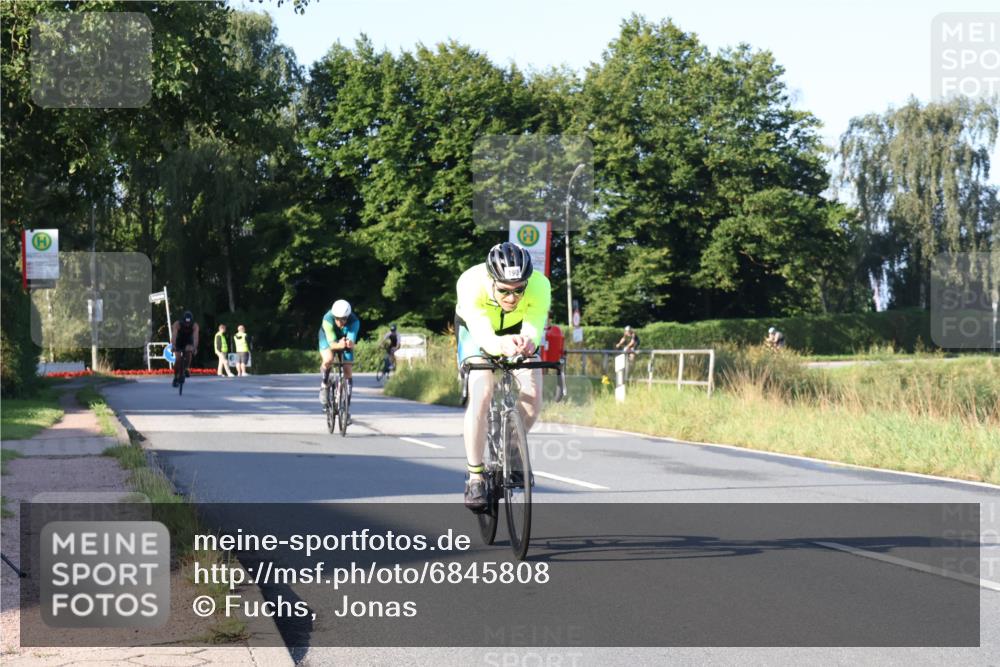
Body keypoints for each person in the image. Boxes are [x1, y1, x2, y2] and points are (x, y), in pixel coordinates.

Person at [455, 242, 551, 511]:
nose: (512, 297)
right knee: (482, 392)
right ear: (491, 280)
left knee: (532, 393)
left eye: (519, 290)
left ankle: (510, 448)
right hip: (475, 333)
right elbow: (483, 334)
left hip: (518, 331)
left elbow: (534, 327)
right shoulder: (470, 283)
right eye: (504, 291)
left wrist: (528, 343)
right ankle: (475, 476)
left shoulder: (541, 285)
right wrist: (500, 346)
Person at [318, 300, 361, 419]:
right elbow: (332, 345)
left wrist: (349, 343)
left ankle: (346, 408)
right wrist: (339, 345)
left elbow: (351, 341)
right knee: (328, 359)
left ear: (348, 317)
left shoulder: (354, 321)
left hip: (343, 339)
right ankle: (324, 384)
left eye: (343, 319)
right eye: (337, 318)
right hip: (328, 339)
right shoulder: (327, 319)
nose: (339, 322)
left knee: (348, 369)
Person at [170, 311, 199, 387]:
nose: (187, 325)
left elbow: (195, 338)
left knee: (189, 352)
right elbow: (174, 336)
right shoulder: (177, 324)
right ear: (183, 321)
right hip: (178, 341)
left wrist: (195, 348)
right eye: (186, 323)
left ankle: (186, 368)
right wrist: (173, 345)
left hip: (188, 341)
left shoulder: (195, 325)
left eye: (189, 323)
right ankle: (176, 377)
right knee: (178, 359)